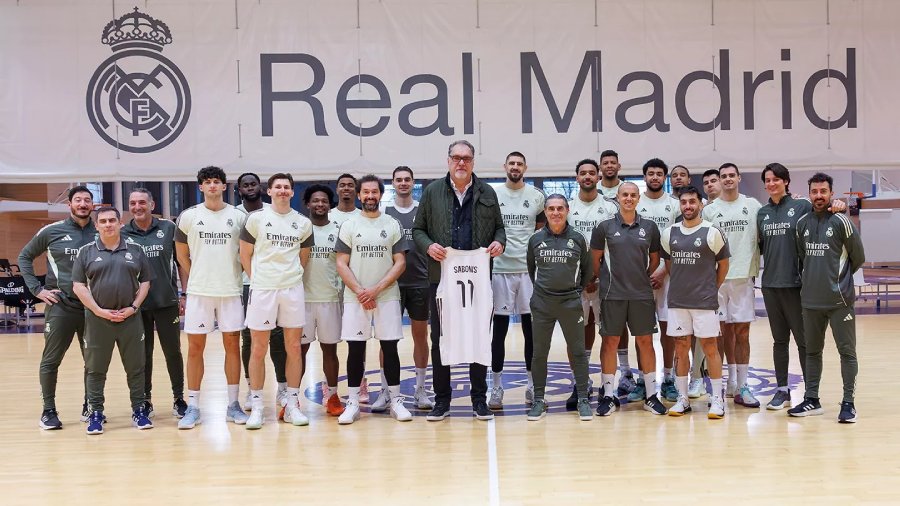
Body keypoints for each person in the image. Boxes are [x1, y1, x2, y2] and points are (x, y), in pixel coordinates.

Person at [413, 139, 506, 422]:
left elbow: (500, 229)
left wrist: (499, 243)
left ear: (473, 162)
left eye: (466, 158)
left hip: (478, 278)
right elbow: (418, 230)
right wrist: (429, 246)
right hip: (441, 277)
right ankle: (442, 400)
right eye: (456, 157)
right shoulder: (432, 192)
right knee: (441, 338)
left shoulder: (487, 191)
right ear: (448, 161)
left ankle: (479, 399)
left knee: (479, 335)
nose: (461, 162)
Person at [758, 163, 846, 410]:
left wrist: (840, 205)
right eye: (768, 180)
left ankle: (810, 395)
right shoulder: (762, 213)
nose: (771, 183)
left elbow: (825, 208)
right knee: (779, 341)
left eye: (776, 179)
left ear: (786, 181)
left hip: (796, 285)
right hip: (770, 285)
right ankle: (782, 391)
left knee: (804, 342)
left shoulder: (801, 206)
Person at [174, 166, 249, 429]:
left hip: (230, 291)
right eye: (208, 182)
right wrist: (197, 275)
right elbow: (181, 254)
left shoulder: (238, 217)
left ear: (224, 186)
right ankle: (193, 406)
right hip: (199, 292)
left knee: (232, 346)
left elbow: (246, 253)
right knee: (195, 348)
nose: (213, 185)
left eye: (217, 181)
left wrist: (234, 273)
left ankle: (233, 404)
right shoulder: (189, 216)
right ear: (201, 187)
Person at [19, 185, 97, 430]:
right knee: (51, 360)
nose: (82, 204)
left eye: (87, 200)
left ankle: (91, 406)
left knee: (93, 361)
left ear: (92, 205)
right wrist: (37, 290)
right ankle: (48, 411)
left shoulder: (101, 231)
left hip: (92, 308)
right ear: (69, 204)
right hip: (61, 306)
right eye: (78, 200)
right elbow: (24, 257)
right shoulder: (52, 231)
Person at [239, 173, 314, 429]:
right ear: (269, 191)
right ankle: (258, 406)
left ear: (292, 192)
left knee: (293, 347)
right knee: (258, 348)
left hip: (292, 290)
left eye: (286, 187)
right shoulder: (256, 219)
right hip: (263, 290)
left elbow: (304, 258)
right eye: (278, 187)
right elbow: (244, 255)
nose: (282, 190)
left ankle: (292, 405)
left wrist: (289, 277)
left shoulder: (303, 223)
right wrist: (259, 280)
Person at [335, 174, 411, 425]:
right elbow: (341, 263)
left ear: (381, 194)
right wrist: (361, 291)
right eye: (365, 192)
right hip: (356, 298)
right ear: (359, 195)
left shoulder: (392, 224)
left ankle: (396, 400)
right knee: (356, 349)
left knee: (390, 348)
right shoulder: (349, 225)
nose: (370, 196)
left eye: (374, 192)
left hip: (386, 296)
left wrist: (376, 290)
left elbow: (400, 262)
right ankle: (353, 402)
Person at [789, 173, 864, 423]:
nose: (819, 196)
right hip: (811, 301)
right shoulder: (801, 224)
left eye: (823, 191)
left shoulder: (842, 221)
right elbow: (803, 258)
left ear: (831, 193)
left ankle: (848, 403)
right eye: (814, 191)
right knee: (812, 352)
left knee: (847, 352)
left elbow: (858, 257)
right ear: (809, 194)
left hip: (839, 301)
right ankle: (812, 400)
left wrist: (839, 280)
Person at [72, 207, 153, 434]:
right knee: (95, 369)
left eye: (112, 220)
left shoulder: (135, 250)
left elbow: (145, 282)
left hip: (130, 319)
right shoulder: (86, 252)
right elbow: (78, 286)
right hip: (98, 320)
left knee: (136, 368)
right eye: (103, 221)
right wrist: (98, 310)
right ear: (96, 226)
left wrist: (133, 307)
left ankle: (139, 410)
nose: (108, 224)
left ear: (120, 223)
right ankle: (95, 413)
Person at [591, 182, 667, 416]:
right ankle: (608, 395)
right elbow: (595, 261)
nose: (629, 198)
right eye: (625, 195)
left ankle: (651, 395)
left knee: (645, 342)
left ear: (638, 199)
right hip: (612, 294)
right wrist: (607, 280)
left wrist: (640, 277)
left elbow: (654, 260)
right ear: (617, 197)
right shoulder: (604, 227)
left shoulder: (650, 227)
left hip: (641, 294)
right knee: (610, 343)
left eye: (633, 195)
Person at [660, 187, 730, 419]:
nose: (688, 206)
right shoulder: (669, 233)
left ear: (701, 204)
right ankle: (682, 399)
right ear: (679, 205)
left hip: (704, 301)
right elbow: (669, 264)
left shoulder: (712, 231)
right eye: (684, 202)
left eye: (692, 202)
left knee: (710, 347)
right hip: (678, 301)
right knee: (680, 348)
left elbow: (724, 265)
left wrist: (710, 288)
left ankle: (717, 399)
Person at [526, 195, 593, 421]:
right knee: (539, 353)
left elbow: (587, 270)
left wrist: (575, 291)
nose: (556, 213)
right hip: (542, 303)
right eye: (551, 209)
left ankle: (583, 399)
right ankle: (538, 400)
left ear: (567, 210)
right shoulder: (535, 239)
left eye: (560, 208)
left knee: (578, 351)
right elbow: (531, 269)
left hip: (570, 302)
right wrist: (544, 290)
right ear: (545, 212)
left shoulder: (579, 238)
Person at [122, 188, 187, 419]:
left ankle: (179, 398)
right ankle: (145, 399)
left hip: (166, 301)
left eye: (142, 202)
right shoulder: (123, 232)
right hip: (137, 306)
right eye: (133, 203)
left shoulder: (168, 228)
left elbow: (181, 262)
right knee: (143, 355)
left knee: (173, 352)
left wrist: (184, 294)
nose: (137, 207)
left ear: (152, 205)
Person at [702, 163, 762, 406]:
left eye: (731, 175)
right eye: (723, 176)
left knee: (742, 333)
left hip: (743, 277)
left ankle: (742, 385)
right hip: (716, 279)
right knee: (718, 333)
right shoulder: (709, 210)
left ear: (739, 178)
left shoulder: (753, 205)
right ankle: (724, 384)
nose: (727, 179)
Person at [489, 152, 545, 408]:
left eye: (519, 164)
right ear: (505, 166)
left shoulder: (536, 196)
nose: (515, 167)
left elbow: (541, 231)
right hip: (500, 270)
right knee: (499, 332)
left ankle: (532, 386)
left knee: (531, 332)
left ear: (525, 167)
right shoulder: (494, 194)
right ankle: (496, 386)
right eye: (511, 163)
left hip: (528, 272)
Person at [566, 158, 617, 409]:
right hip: (575, 281)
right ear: (577, 177)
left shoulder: (609, 207)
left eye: (591, 173)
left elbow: (616, 242)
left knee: (609, 332)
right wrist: (583, 276)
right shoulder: (567, 207)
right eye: (582, 173)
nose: (587, 176)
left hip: (605, 279)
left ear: (598, 177)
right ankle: (581, 383)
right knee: (576, 333)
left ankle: (609, 386)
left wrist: (597, 274)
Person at [381, 167, 434, 410]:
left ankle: (421, 389)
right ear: (393, 183)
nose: (403, 183)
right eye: (399, 180)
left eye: (407, 179)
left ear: (413, 183)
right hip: (391, 283)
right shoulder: (385, 212)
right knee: (387, 339)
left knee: (420, 336)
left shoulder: (423, 210)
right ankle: (385, 390)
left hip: (420, 281)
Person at [236, 173, 288, 413]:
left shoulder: (273, 210)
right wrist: (254, 279)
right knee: (250, 339)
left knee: (277, 337)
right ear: (239, 190)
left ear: (262, 187)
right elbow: (240, 252)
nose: (250, 188)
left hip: (274, 285)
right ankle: (251, 388)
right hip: (246, 285)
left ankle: (283, 387)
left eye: (253, 184)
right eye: (245, 185)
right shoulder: (235, 215)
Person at [301, 184, 345, 417]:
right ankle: (291, 398)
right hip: (302, 300)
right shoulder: (300, 228)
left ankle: (333, 396)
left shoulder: (339, 230)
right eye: (315, 200)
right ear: (307, 204)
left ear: (330, 204)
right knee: (299, 351)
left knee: (330, 351)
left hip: (329, 298)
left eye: (324, 201)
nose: (320, 204)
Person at [639, 158, 681, 402]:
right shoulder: (635, 201)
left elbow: (679, 240)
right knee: (642, 331)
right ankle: (643, 379)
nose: (655, 177)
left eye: (659, 174)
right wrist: (644, 272)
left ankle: (668, 378)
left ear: (664, 178)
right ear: (645, 176)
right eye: (651, 173)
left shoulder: (674, 204)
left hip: (668, 276)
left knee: (668, 329)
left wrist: (663, 270)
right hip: (640, 277)